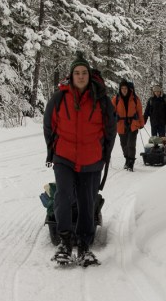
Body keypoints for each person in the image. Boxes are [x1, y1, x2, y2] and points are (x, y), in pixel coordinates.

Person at [43, 51, 116, 266]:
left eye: (84, 72)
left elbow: (110, 130)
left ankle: (84, 244)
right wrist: (52, 150)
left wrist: (104, 155)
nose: (81, 76)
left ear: (89, 75)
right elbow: (49, 126)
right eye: (77, 72)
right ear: (72, 75)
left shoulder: (101, 101)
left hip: (92, 160)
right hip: (64, 157)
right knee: (63, 196)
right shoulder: (59, 98)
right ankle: (64, 241)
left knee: (87, 202)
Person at [112, 79, 145, 171]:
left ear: (128, 89)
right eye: (122, 88)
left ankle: (131, 162)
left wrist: (141, 123)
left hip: (133, 124)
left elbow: (139, 111)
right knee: (124, 144)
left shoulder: (135, 98)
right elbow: (111, 111)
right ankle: (127, 159)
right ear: (120, 89)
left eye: (125, 88)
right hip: (121, 125)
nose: (124, 90)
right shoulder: (116, 99)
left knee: (131, 144)